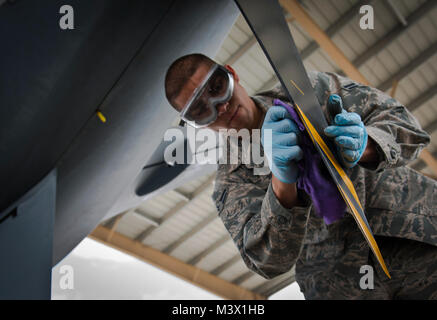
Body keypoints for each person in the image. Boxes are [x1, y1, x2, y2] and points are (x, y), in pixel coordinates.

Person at [164, 53, 437, 299]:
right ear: (195, 124)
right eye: (201, 110)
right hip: (342, 287)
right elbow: (266, 261)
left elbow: (407, 127)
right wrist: (283, 183)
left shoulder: (309, 90)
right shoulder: (231, 184)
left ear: (231, 74)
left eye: (216, 88)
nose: (219, 107)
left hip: (420, 235)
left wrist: (366, 146)